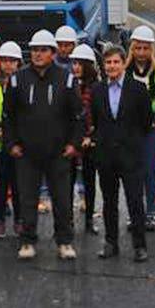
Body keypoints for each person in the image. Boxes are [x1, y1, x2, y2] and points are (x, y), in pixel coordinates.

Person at [3, 29, 83, 261]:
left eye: (43, 50)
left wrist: (73, 144)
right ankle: (27, 241)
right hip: (27, 153)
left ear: (53, 52)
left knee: (61, 200)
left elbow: (78, 115)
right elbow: (8, 116)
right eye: (34, 50)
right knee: (28, 199)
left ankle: (65, 242)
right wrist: (11, 144)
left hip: (58, 153)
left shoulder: (66, 79)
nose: (37, 54)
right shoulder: (18, 79)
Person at [91, 46, 151, 261]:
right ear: (103, 66)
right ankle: (110, 243)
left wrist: (132, 143)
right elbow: (97, 123)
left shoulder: (138, 89)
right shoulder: (97, 90)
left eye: (116, 62)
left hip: (131, 155)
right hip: (106, 157)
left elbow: (146, 122)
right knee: (109, 202)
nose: (112, 66)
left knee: (135, 201)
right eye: (108, 63)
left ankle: (139, 245)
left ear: (123, 63)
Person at [127, 25, 155, 232]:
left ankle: (150, 213)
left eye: (145, 49)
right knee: (132, 172)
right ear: (132, 49)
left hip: (153, 130)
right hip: (132, 130)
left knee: (149, 172)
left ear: (151, 50)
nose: (142, 53)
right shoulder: (125, 72)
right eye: (138, 48)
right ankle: (135, 213)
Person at [0, 41, 22, 239]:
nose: (8, 65)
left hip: (18, 143)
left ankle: (19, 220)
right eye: (5, 61)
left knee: (19, 184)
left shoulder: (25, 84)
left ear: (19, 63)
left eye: (12, 61)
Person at [69, 44, 99, 235]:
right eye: (74, 63)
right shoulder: (69, 85)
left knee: (89, 182)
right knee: (67, 182)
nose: (76, 67)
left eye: (80, 63)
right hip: (72, 142)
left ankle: (88, 220)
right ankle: (68, 221)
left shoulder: (97, 88)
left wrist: (91, 136)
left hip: (91, 143)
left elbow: (100, 116)